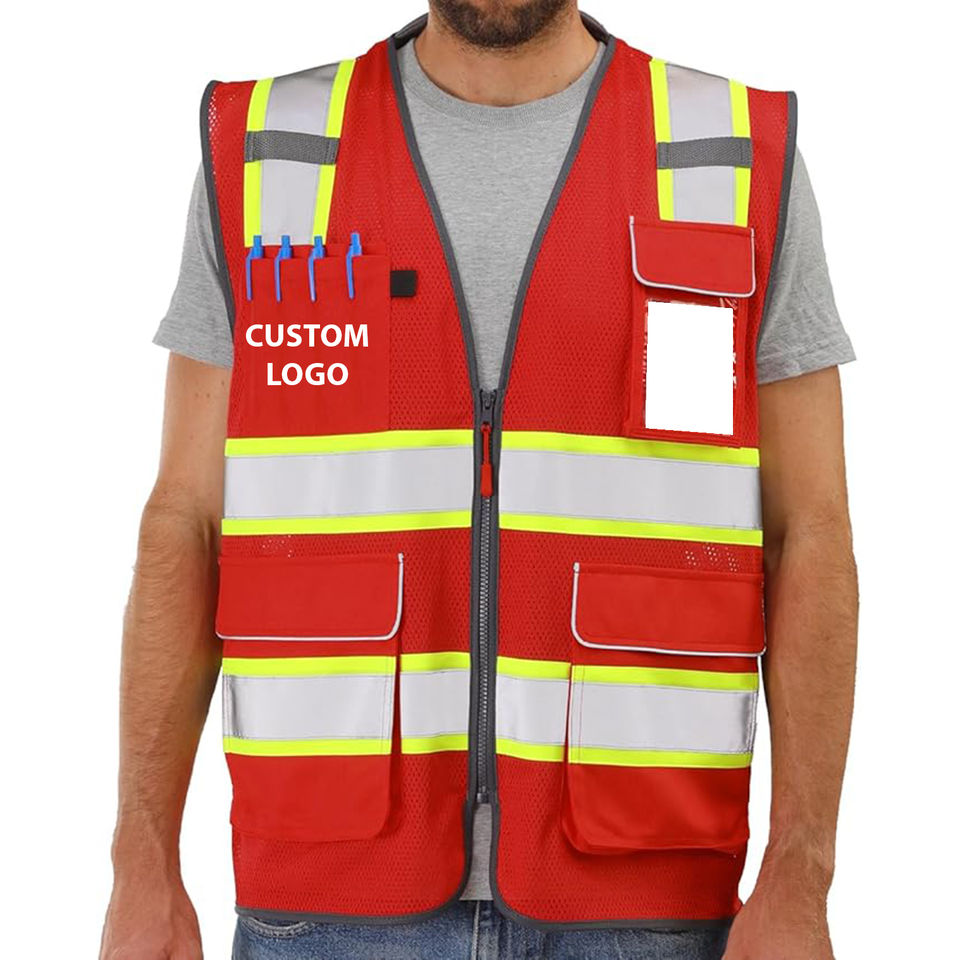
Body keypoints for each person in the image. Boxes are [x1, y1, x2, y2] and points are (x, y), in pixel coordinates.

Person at [100, 3, 858, 959]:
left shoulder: (732, 156)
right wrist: (142, 863)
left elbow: (810, 533)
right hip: (325, 905)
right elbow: (187, 523)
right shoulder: (269, 156)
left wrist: (801, 874)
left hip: (649, 901)